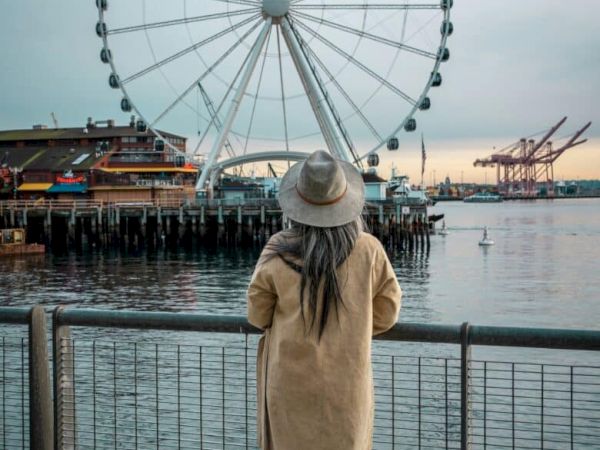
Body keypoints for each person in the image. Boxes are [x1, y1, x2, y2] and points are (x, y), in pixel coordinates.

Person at [247, 150, 402, 450]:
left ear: (296, 203)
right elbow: (388, 311)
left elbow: (257, 314)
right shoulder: (369, 250)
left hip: (288, 386)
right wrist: (352, 326)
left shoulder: (278, 249)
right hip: (347, 387)